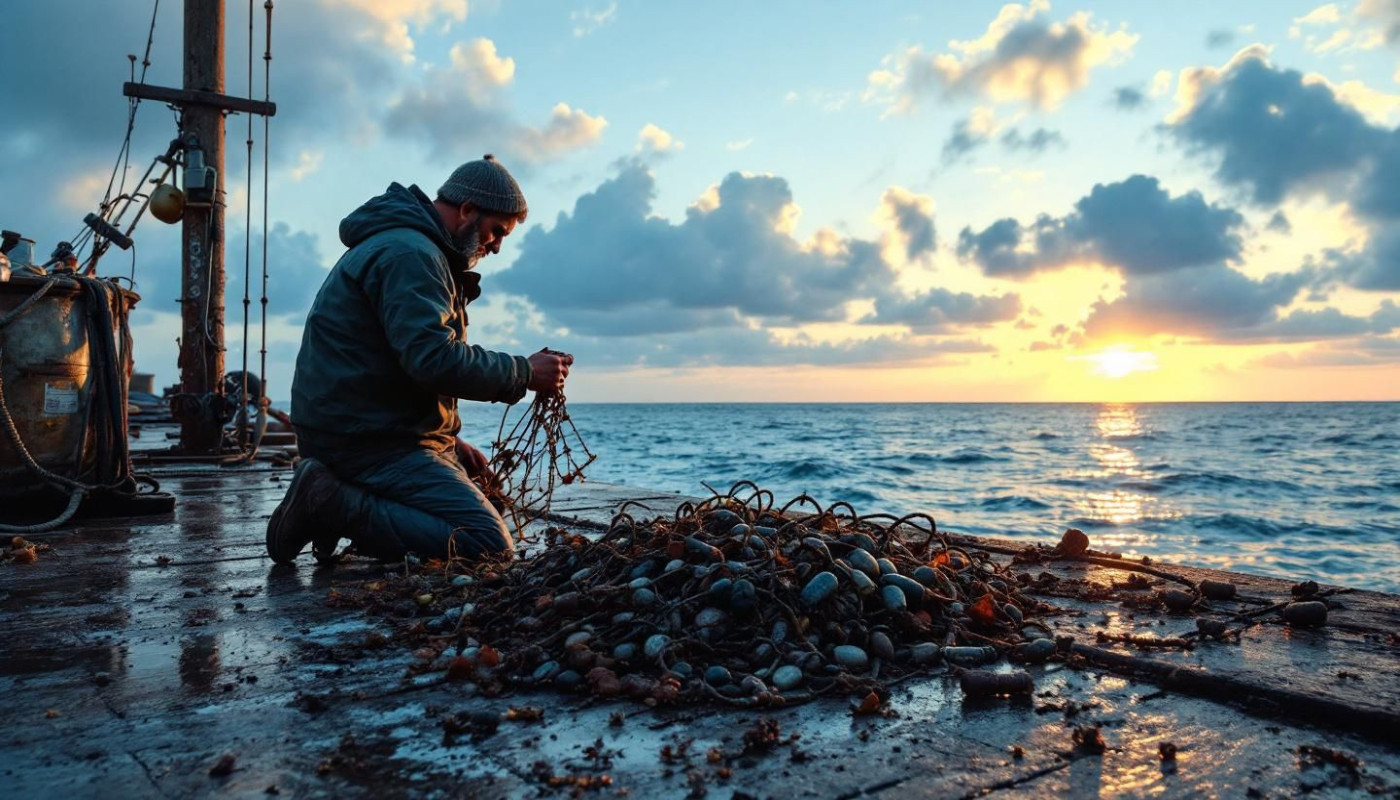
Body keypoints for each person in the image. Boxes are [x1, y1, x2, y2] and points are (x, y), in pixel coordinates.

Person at [265, 155, 570, 565]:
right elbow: (433, 359)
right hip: (363, 444)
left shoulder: (412, 248)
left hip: (365, 431)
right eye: (497, 231)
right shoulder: (412, 255)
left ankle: (339, 502)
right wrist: (525, 372)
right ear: (467, 210)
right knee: (486, 543)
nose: (497, 247)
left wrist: (447, 442)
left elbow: (395, 365)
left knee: (492, 504)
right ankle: (329, 502)